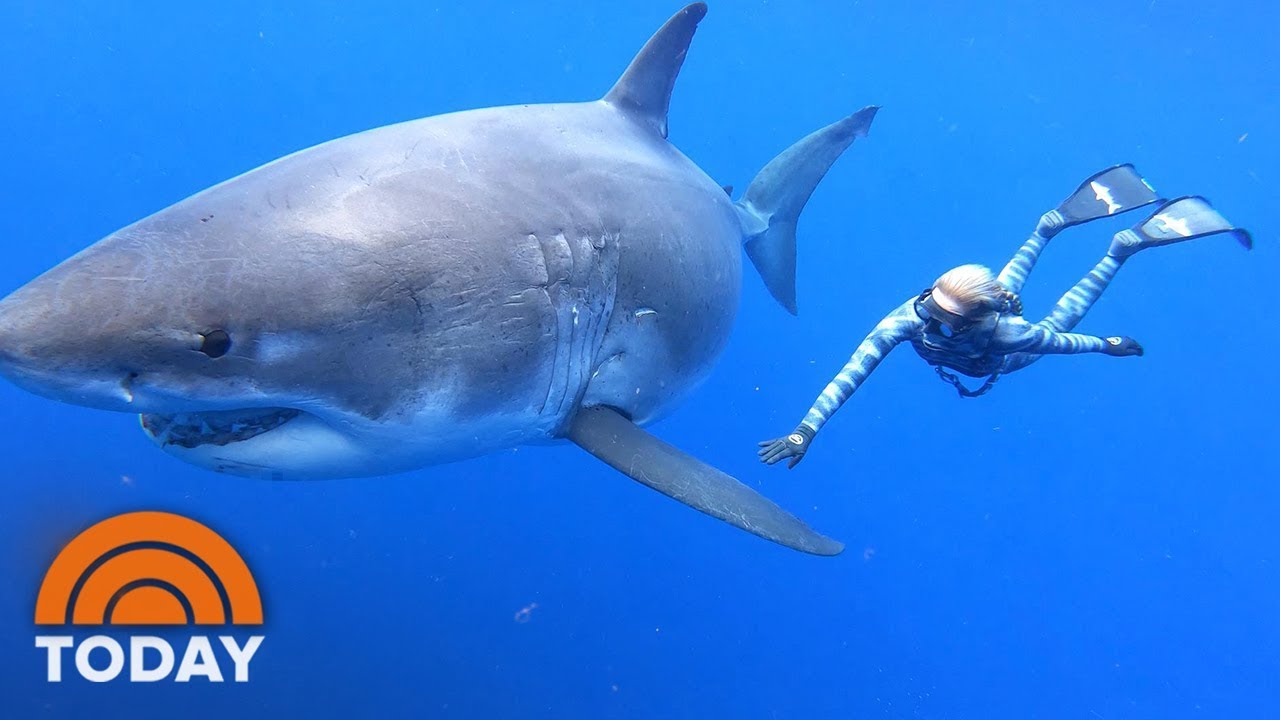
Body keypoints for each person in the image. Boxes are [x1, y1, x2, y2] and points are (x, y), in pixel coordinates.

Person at [758, 165, 1251, 468]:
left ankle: (1119, 251)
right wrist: (806, 430)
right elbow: (852, 372)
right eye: (928, 305)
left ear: (970, 322)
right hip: (987, 323)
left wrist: (1108, 344)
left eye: (942, 318)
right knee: (1006, 288)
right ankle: (1045, 230)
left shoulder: (1011, 334)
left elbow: (1064, 343)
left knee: (1060, 316)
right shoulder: (909, 317)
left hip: (996, 354)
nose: (927, 322)